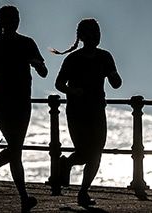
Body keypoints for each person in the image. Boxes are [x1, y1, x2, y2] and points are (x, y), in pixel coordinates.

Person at [0, 5, 48, 212]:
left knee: (15, 148)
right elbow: (44, 73)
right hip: (19, 101)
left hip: (5, 101)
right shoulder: (26, 43)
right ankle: (22, 196)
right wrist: (36, 64)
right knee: (16, 149)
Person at [52, 18, 122, 207]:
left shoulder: (105, 57)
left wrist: (114, 76)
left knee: (96, 153)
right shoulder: (73, 59)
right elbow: (59, 84)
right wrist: (73, 91)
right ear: (83, 37)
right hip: (77, 111)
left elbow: (116, 83)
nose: (95, 37)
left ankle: (83, 191)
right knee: (84, 153)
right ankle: (67, 165)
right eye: (91, 34)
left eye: (97, 34)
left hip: (97, 110)